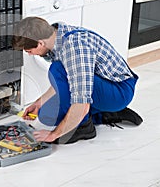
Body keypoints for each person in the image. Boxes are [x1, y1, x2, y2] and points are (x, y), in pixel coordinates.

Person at [12, 17, 143, 144]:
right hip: (102, 85)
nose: (29, 54)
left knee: (57, 69)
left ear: (40, 43)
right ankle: (103, 113)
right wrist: (38, 103)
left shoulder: (75, 48)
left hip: (119, 90)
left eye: (29, 50)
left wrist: (54, 134)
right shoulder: (56, 37)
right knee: (46, 115)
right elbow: (66, 81)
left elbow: (81, 100)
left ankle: (84, 127)